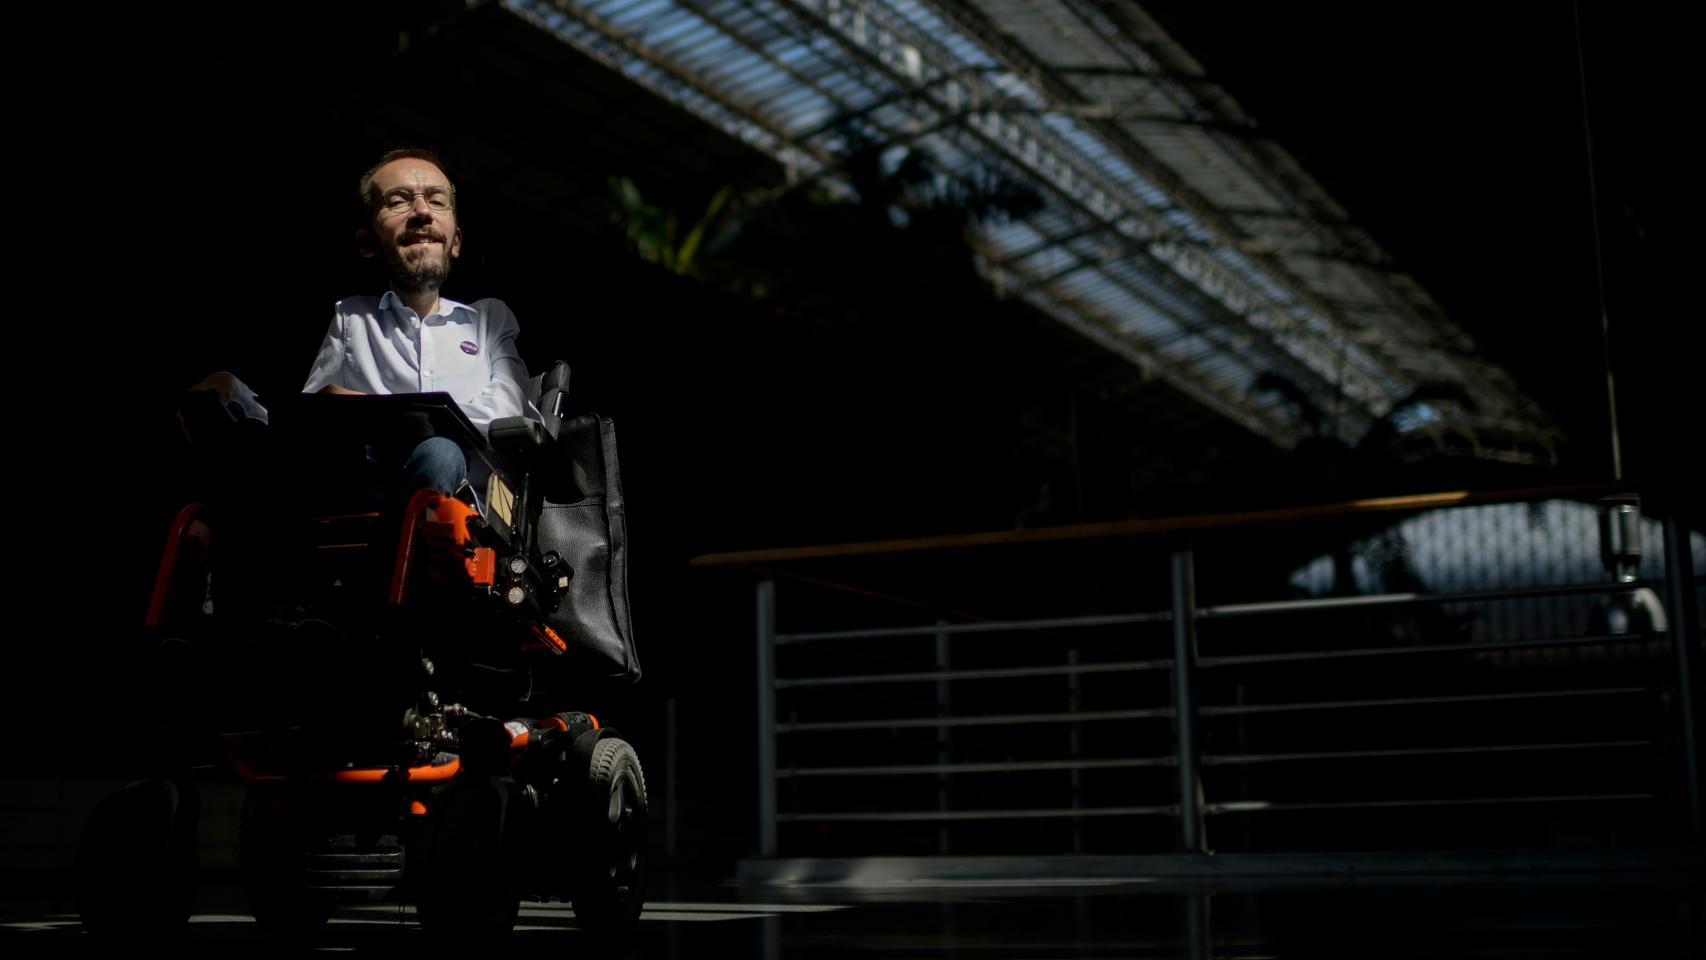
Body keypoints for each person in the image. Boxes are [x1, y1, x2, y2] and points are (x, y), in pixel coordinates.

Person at [189, 147, 529, 495]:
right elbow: (308, 426)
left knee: (440, 452)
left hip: (469, 510)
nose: (422, 211)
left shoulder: (490, 318)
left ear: (455, 241)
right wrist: (239, 397)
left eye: (436, 199)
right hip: (369, 492)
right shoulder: (352, 316)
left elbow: (504, 417)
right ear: (368, 242)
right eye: (398, 200)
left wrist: (378, 415)